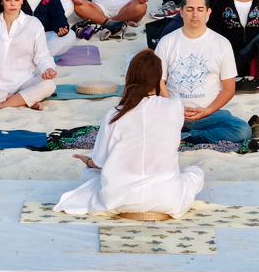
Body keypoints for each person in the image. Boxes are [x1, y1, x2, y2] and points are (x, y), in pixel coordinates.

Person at [55, 49, 204, 216]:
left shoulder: (115, 114)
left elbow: (100, 163)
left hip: (119, 198)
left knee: (90, 174)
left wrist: (88, 161)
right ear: (159, 79)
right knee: (195, 173)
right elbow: (166, 100)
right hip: (166, 198)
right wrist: (159, 82)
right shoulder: (174, 106)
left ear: (130, 78)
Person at [152, 0, 249, 142]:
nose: (195, 15)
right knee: (140, 125)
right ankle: (181, 134)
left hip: (209, 114)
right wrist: (174, 108)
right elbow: (157, 81)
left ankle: (190, 137)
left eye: (200, 9)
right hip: (172, 112)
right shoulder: (167, 42)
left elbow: (229, 89)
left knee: (242, 131)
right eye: (190, 9)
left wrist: (207, 111)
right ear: (181, 12)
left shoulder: (221, 43)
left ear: (208, 12)